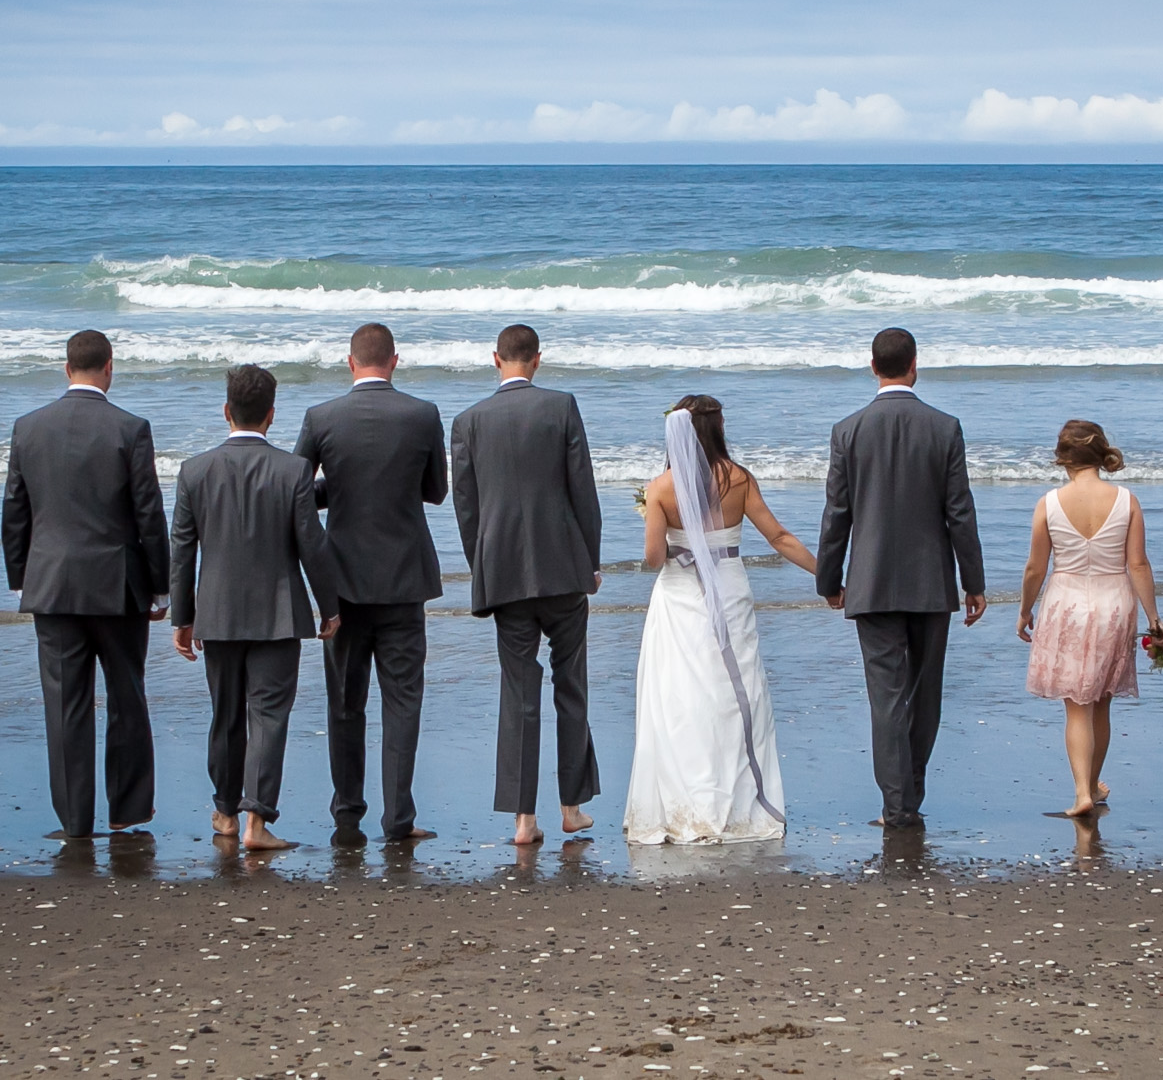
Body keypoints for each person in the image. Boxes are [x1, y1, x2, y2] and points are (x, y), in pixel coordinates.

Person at [2, 329, 172, 839]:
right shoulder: (130, 428)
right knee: (126, 697)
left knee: (65, 705)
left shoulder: (27, 427)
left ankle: (75, 820)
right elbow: (149, 513)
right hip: (117, 587)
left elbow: (15, 510)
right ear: (109, 367)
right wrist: (162, 586)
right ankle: (126, 809)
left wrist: (19, 580)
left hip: (51, 584)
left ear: (66, 367)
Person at [626, 396, 817, 845]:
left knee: (679, 697)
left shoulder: (660, 488)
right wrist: (826, 575)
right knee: (736, 693)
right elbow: (779, 536)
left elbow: (654, 559)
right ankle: (740, 799)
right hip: (730, 590)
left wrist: (663, 533)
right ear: (716, 429)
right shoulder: (738, 479)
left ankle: (687, 799)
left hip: (679, 597)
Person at [816, 327, 986, 830]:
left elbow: (837, 513)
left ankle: (897, 805)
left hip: (870, 582)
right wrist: (973, 581)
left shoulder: (847, 430)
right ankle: (910, 791)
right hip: (931, 582)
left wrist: (829, 578)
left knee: (886, 696)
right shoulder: (945, 427)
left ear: (873, 367)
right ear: (915, 365)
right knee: (925, 691)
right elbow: (960, 513)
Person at [169, 364, 341, 851]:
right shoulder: (292, 470)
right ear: (271, 414)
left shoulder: (194, 470)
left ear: (226, 411)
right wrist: (329, 607)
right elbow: (313, 544)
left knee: (224, 714)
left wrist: (184, 618)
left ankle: (225, 812)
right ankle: (256, 823)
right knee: (268, 715)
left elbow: (182, 549)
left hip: (217, 613)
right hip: (278, 613)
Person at [295, 322, 449, 845]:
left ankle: (347, 815)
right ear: (395, 361)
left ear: (350, 362)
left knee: (344, 702)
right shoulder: (422, 414)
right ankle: (399, 819)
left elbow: (294, 492)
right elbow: (436, 491)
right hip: (404, 580)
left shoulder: (322, 417)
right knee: (403, 701)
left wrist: (334, 489)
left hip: (342, 584)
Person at [451, 323, 604, 846]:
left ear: (495, 358)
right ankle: (571, 806)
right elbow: (582, 489)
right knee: (571, 685)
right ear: (537, 359)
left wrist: (482, 564)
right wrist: (593, 559)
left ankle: (523, 820)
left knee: (518, 691)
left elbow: (466, 509)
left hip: (505, 574)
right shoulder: (561, 406)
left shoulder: (468, 421)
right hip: (563, 568)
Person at [1017, 420, 1163, 818]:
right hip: (1114, 603)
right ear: (1101, 454)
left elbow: (1035, 567)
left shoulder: (1048, 503)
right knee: (1101, 701)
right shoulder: (1126, 500)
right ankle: (1093, 786)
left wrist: (1025, 608)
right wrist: (1154, 618)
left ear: (1062, 458)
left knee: (1076, 706)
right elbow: (1138, 564)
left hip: (1066, 603)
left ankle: (1082, 790)